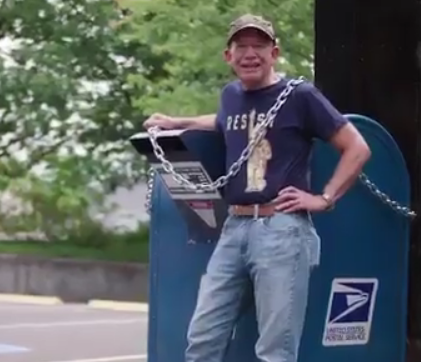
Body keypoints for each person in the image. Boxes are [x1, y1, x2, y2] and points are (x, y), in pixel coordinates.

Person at [142, 13, 371, 362]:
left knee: (274, 351)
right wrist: (179, 122)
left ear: (274, 53)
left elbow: (357, 147)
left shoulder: (299, 96)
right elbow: (223, 122)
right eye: (242, 46)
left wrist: (323, 198)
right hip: (234, 229)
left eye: (259, 46)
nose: (250, 54)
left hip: (282, 230)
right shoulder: (231, 95)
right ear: (228, 56)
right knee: (203, 339)